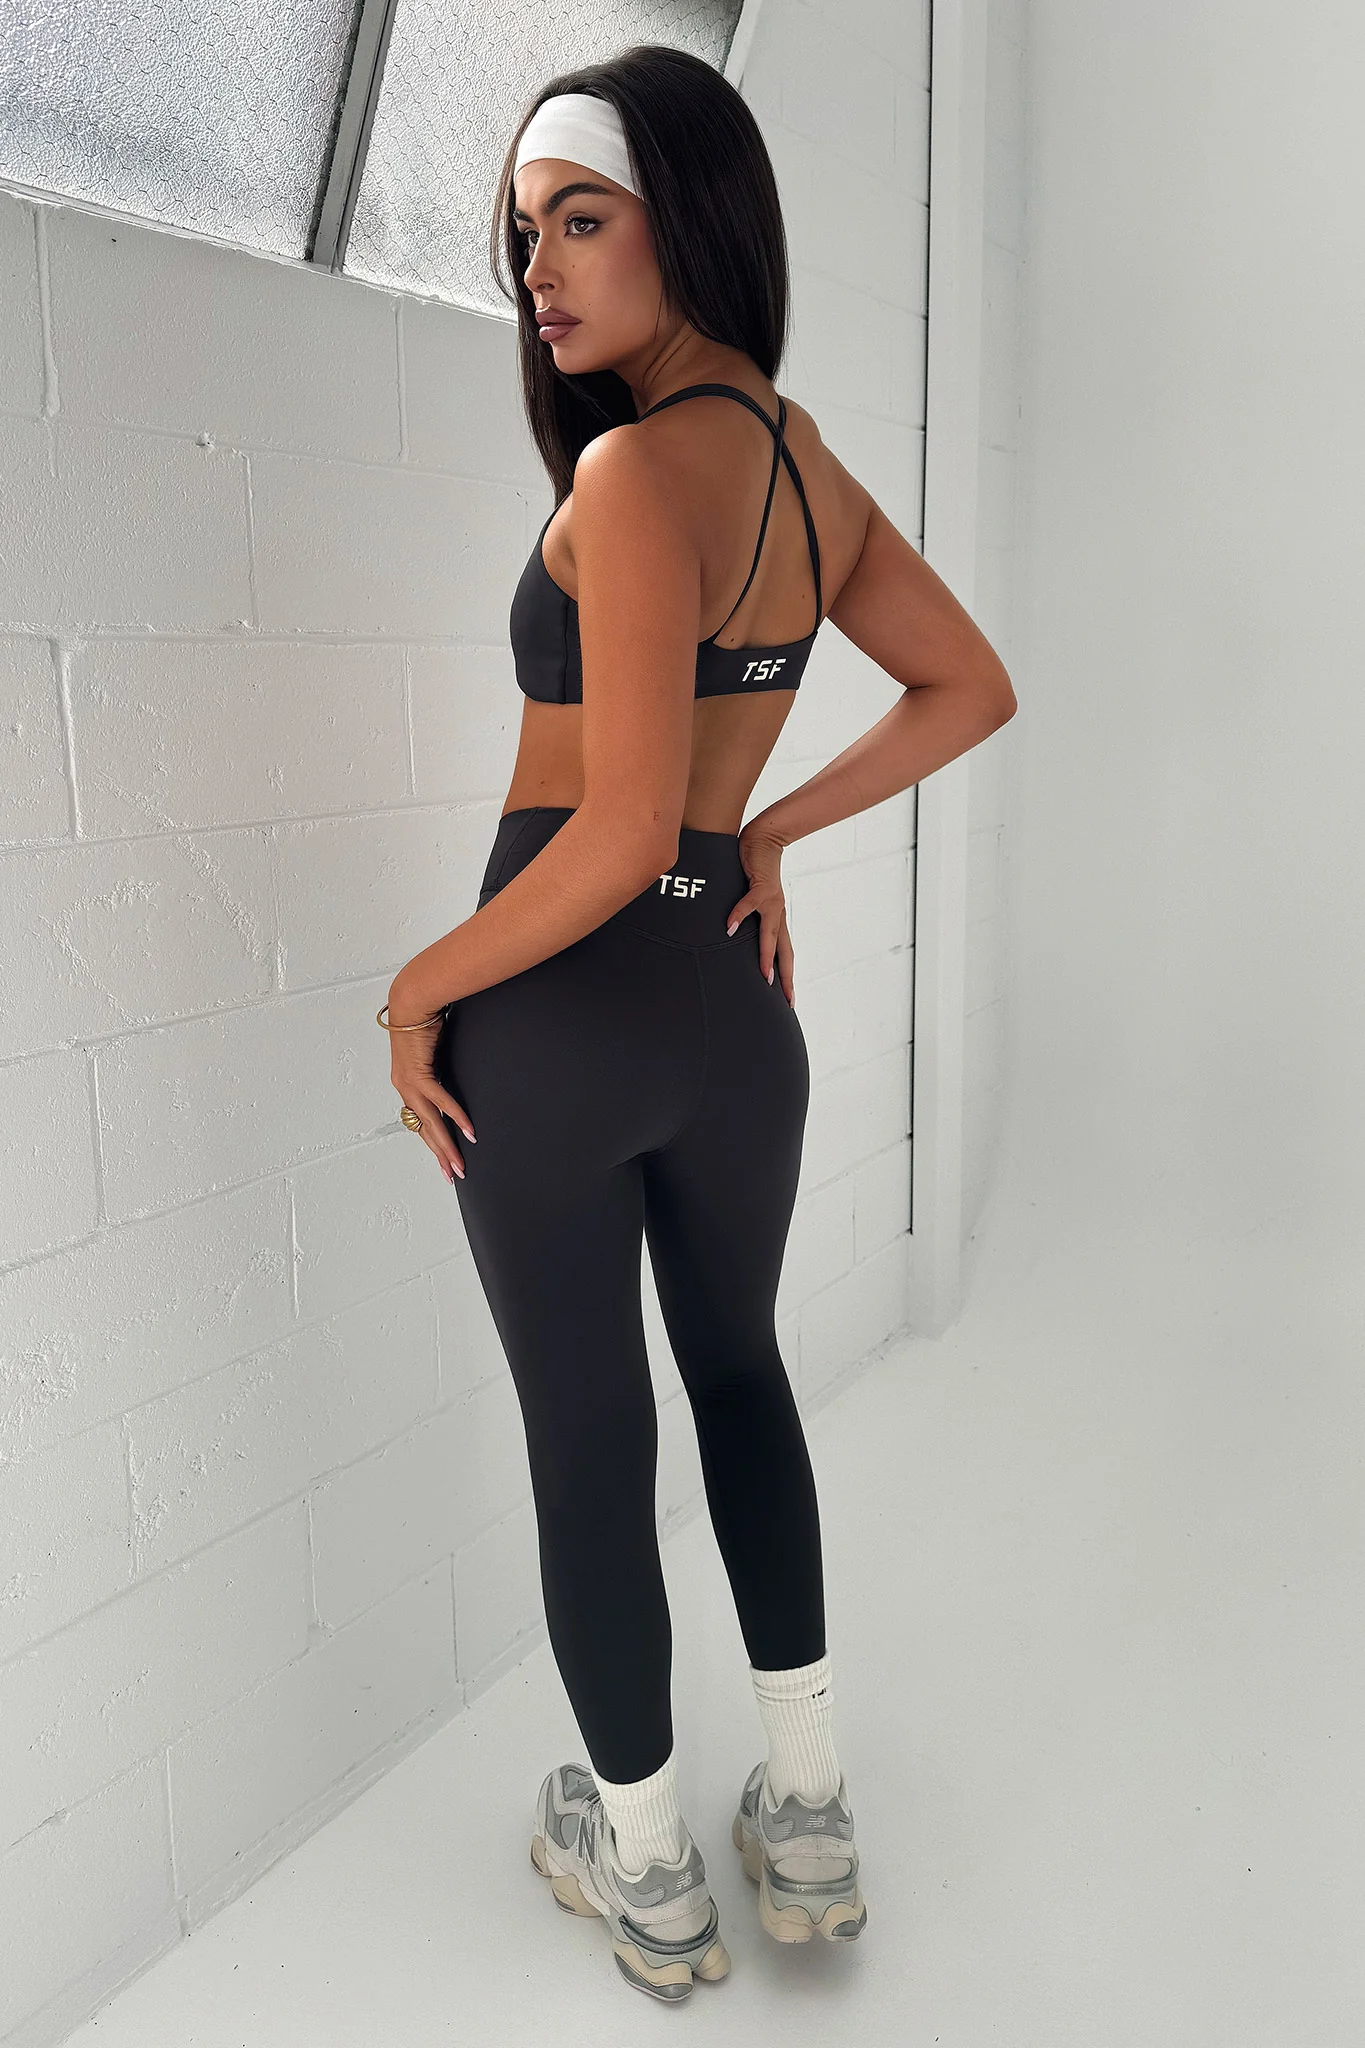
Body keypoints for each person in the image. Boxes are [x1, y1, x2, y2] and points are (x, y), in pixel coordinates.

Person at [377, 45, 1015, 2003]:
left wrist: (419, 985)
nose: (540, 271)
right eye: (521, 235)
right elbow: (967, 684)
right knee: (740, 1376)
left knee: (591, 1435)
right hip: (735, 1028)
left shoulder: (631, 471)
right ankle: (804, 1812)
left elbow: (616, 828)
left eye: (581, 219)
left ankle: (645, 1861)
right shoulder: (808, 470)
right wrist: (777, 836)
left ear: (696, 214)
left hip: (559, 1032)